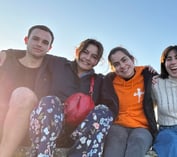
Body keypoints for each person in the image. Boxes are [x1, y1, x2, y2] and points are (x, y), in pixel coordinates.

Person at [29, 38, 115, 157]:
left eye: (94, 56)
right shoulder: (57, 63)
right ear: (77, 51)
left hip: (80, 135)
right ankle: (43, 154)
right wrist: (7, 53)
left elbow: (112, 107)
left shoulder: (100, 80)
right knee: (50, 101)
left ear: (97, 61)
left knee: (105, 111)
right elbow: (33, 53)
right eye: (85, 52)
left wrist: (146, 73)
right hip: (50, 129)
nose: (88, 58)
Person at [0, 25, 59, 157]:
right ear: (26, 40)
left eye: (45, 42)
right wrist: (8, 52)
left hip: (26, 125)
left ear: (49, 48)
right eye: (35, 39)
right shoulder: (7, 61)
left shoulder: (52, 70)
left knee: (23, 95)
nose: (39, 44)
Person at [102, 46, 157, 157]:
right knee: (114, 144)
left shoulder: (147, 75)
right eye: (116, 64)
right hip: (118, 126)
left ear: (132, 59)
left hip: (142, 127)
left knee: (137, 142)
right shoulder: (109, 81)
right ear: (113, 68)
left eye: (124, 60)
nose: (122, 66)